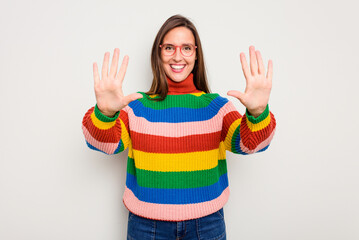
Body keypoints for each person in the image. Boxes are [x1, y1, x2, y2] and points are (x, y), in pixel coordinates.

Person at [82, 14, 276, 240]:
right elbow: (105, 145)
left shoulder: (217, 107)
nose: (177, 56)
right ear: (159, 53)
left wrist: (257, 112)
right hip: (146, 227)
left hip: (206, 225)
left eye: (186, 48)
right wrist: (105, 113)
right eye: (169, 48)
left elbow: (249, 144)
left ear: (196, 54)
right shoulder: (136, 107)